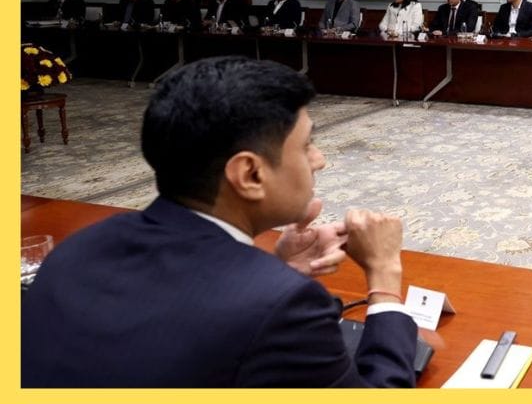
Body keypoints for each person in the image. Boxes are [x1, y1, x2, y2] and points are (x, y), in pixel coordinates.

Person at [20, 56, 417, 387]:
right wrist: (383, 277)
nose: (320, 160)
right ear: (250, 174)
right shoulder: (284, 308)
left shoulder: (77, 248)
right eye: (308, 145)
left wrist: (278, 270)